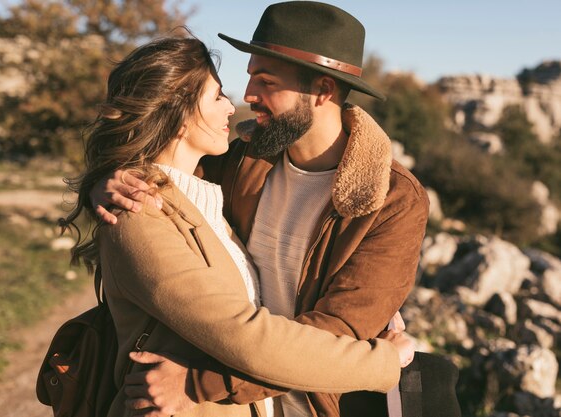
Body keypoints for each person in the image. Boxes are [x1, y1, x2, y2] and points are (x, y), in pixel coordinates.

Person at [92, 2, 429, 416]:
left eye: (266, 81)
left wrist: (202, 384)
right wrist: (105, 184)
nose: (247, 96)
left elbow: (341, 332)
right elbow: (163, 164)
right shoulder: (243, 159)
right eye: (250, 77)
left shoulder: (392, 200)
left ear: (323, 90)